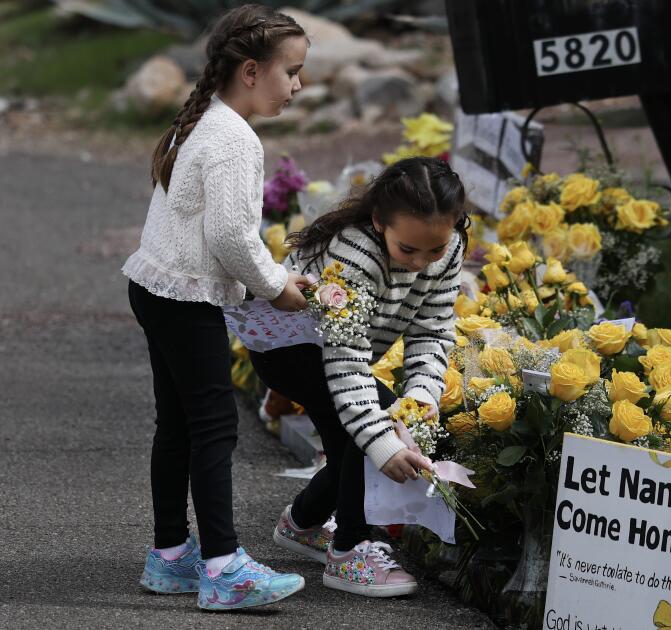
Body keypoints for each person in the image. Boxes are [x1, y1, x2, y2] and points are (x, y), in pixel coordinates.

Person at [123, 4, 310, 611]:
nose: (298, 86)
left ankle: (170, 557)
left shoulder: (201, 117)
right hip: (186, 296)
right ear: (251, 72)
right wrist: (277, 285)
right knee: (213, 427)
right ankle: (225, 568)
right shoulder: (234, 138)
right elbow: (233, 236)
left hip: (157, 286)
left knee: (177, 424)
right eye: (292, 72)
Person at [251, 156, 466, 597]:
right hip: (291, 350)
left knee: (367, 433)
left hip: (344, 351)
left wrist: (422, 398)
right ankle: (350, 549)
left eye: (436, 250)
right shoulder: (355, 253)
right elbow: (347, 364)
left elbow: (432, 328)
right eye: (407, 250)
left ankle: (303, 524)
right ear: (378, 221)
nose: (421, 263)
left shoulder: (451, 243)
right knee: (367, 433)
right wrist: (385, 441)